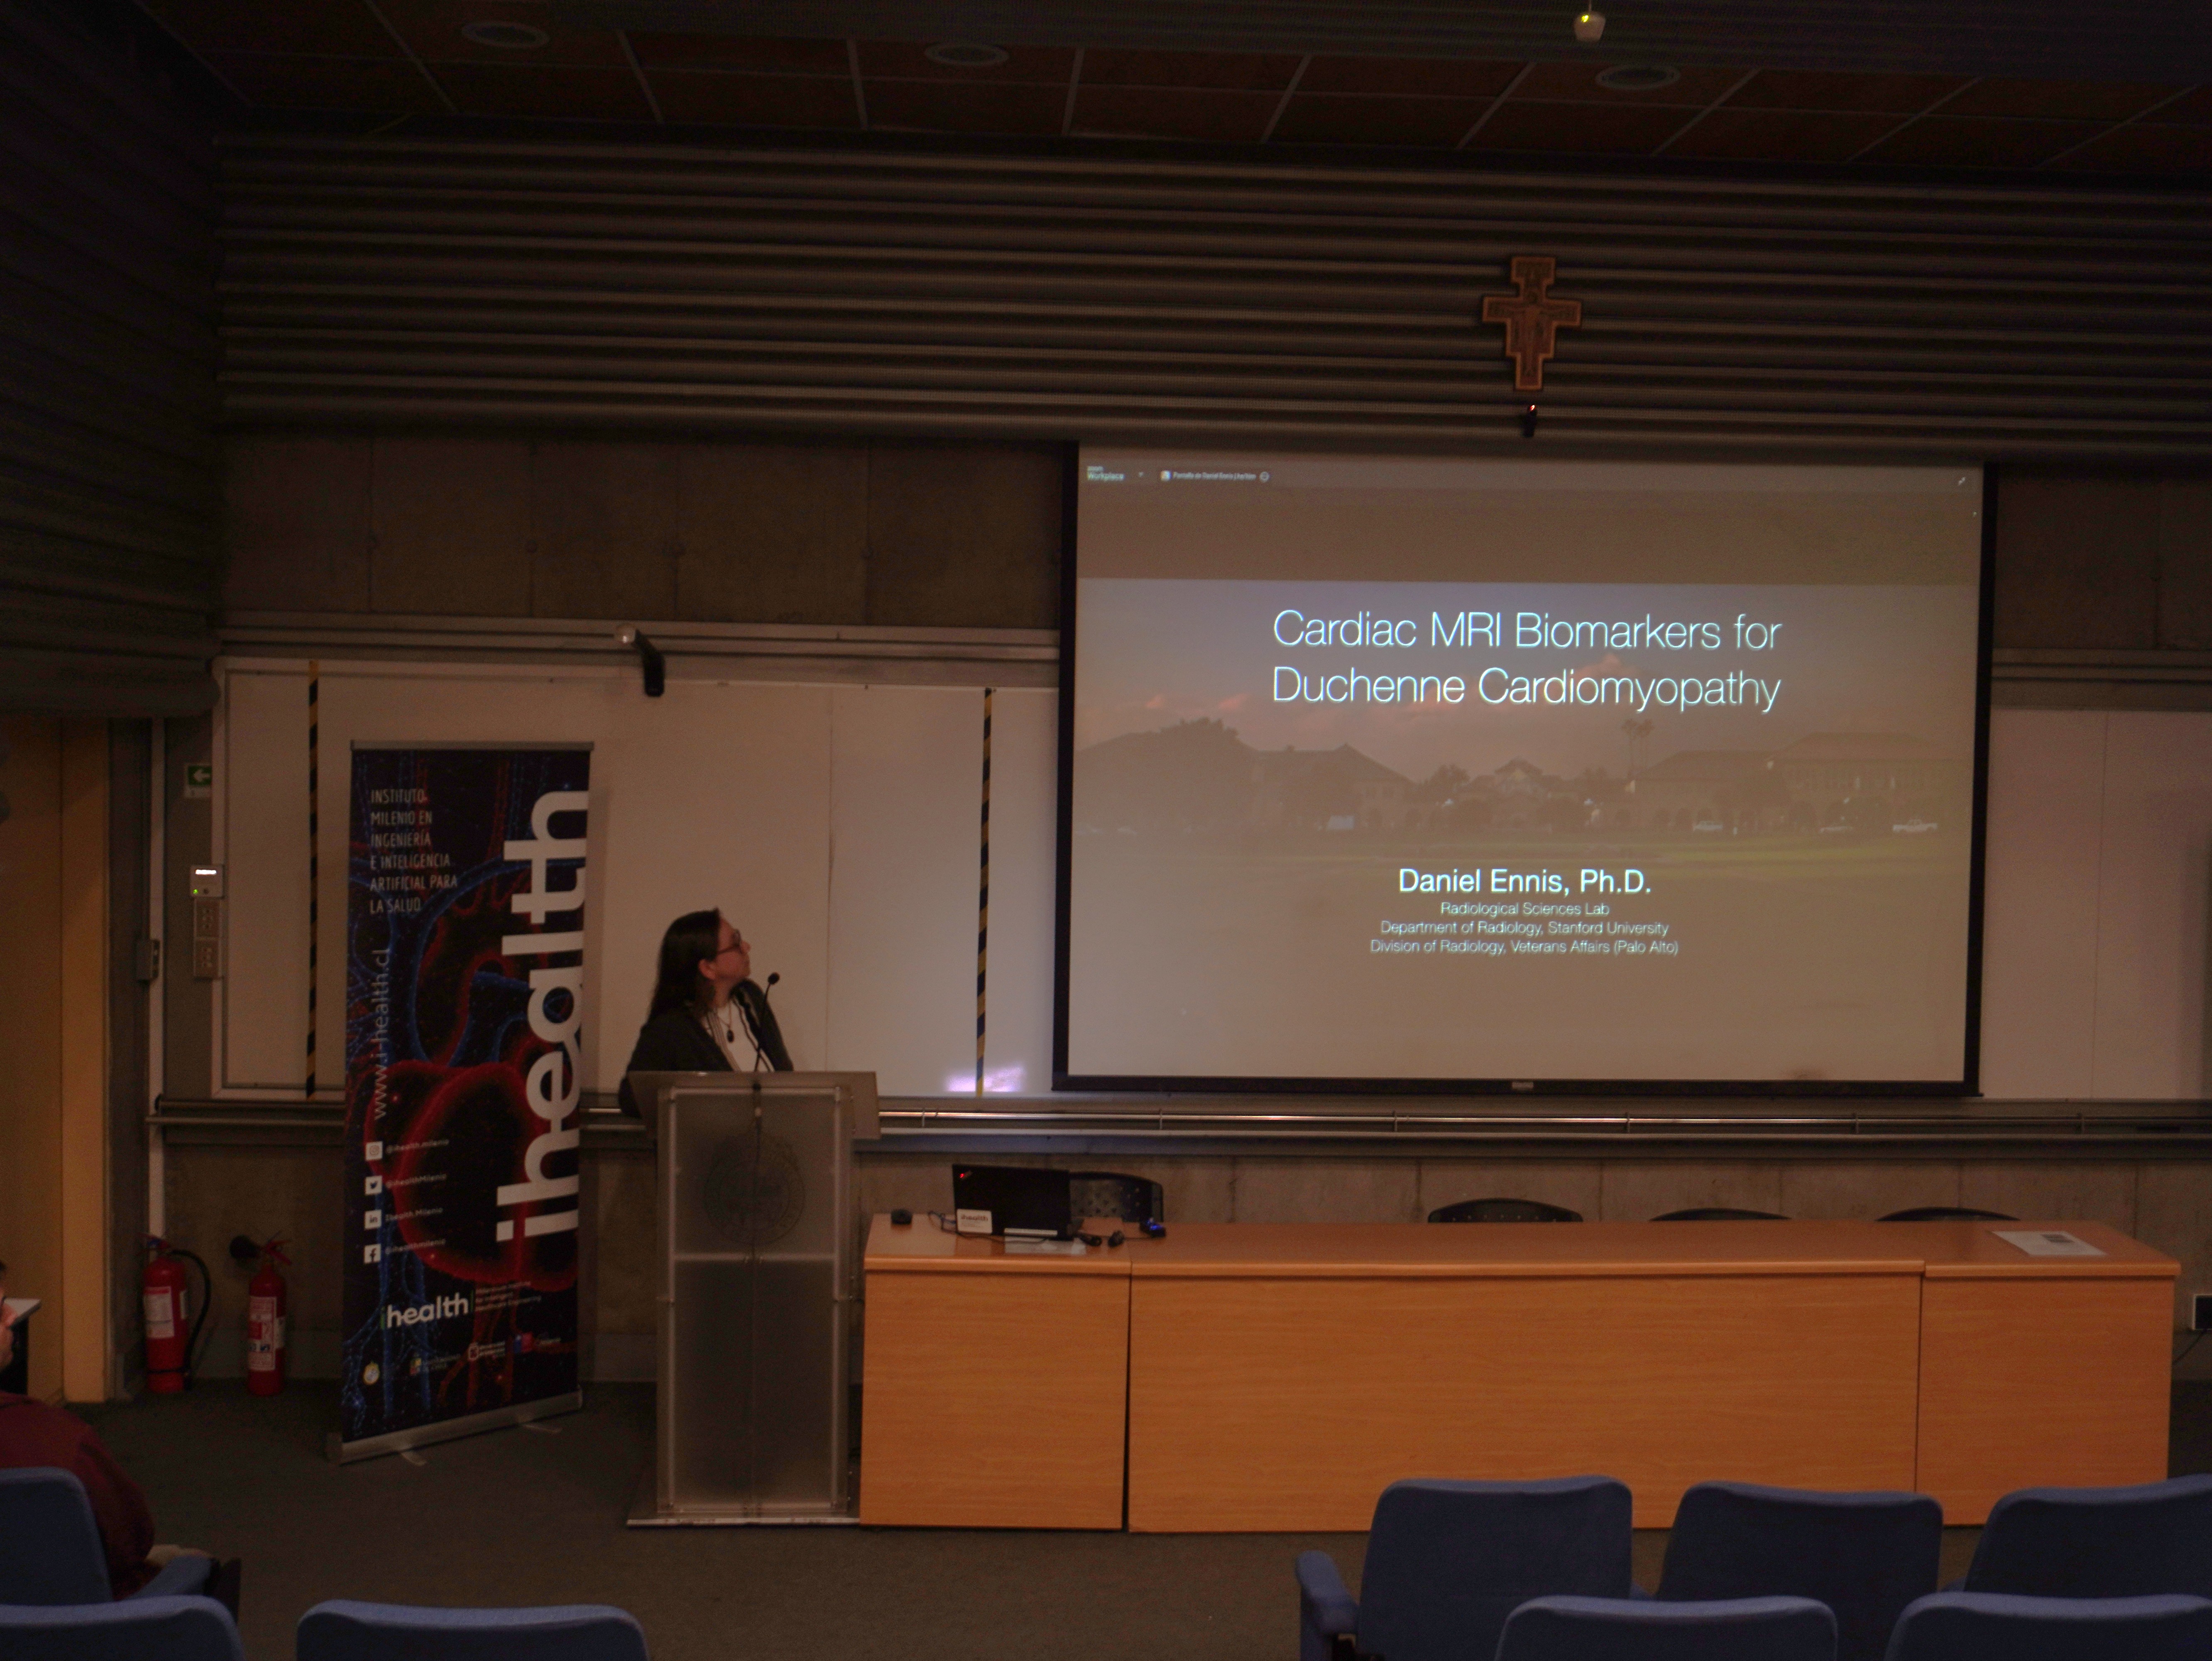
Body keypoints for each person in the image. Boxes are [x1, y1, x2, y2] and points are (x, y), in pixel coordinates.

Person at [0, 1258, 208, 1601]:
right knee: (194, 1563)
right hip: (70, 1617)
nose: (12, 1316)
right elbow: (130, 1540)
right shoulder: (57, 1440)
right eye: (0, 1309)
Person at [617, 909, 783, 1115]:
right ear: (708, 968)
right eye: (736, 943)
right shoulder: (670, 1028)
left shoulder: (751, 998)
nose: (746, 947)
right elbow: (633, 1099)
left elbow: (784, 1076)